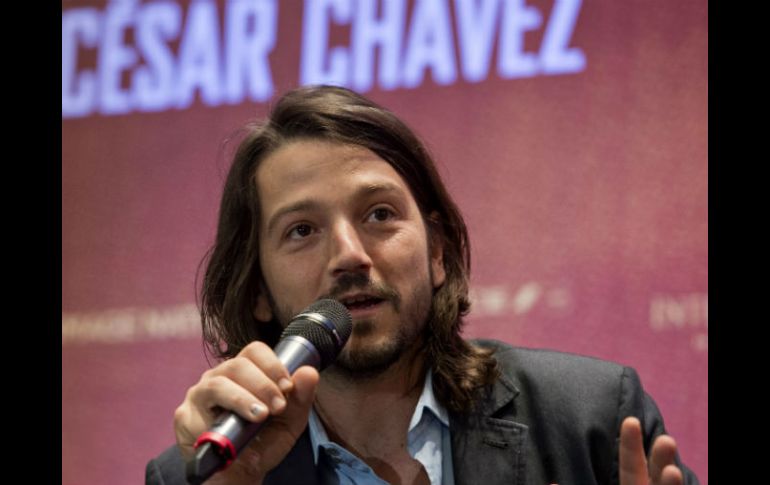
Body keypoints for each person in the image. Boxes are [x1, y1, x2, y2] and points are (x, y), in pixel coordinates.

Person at [145, 85, 700, 485]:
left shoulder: (591, 419)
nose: (350, 255)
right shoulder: (202, 473)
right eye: (302, 230)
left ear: (436, 252)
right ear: (257, 290)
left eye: (379, 214)